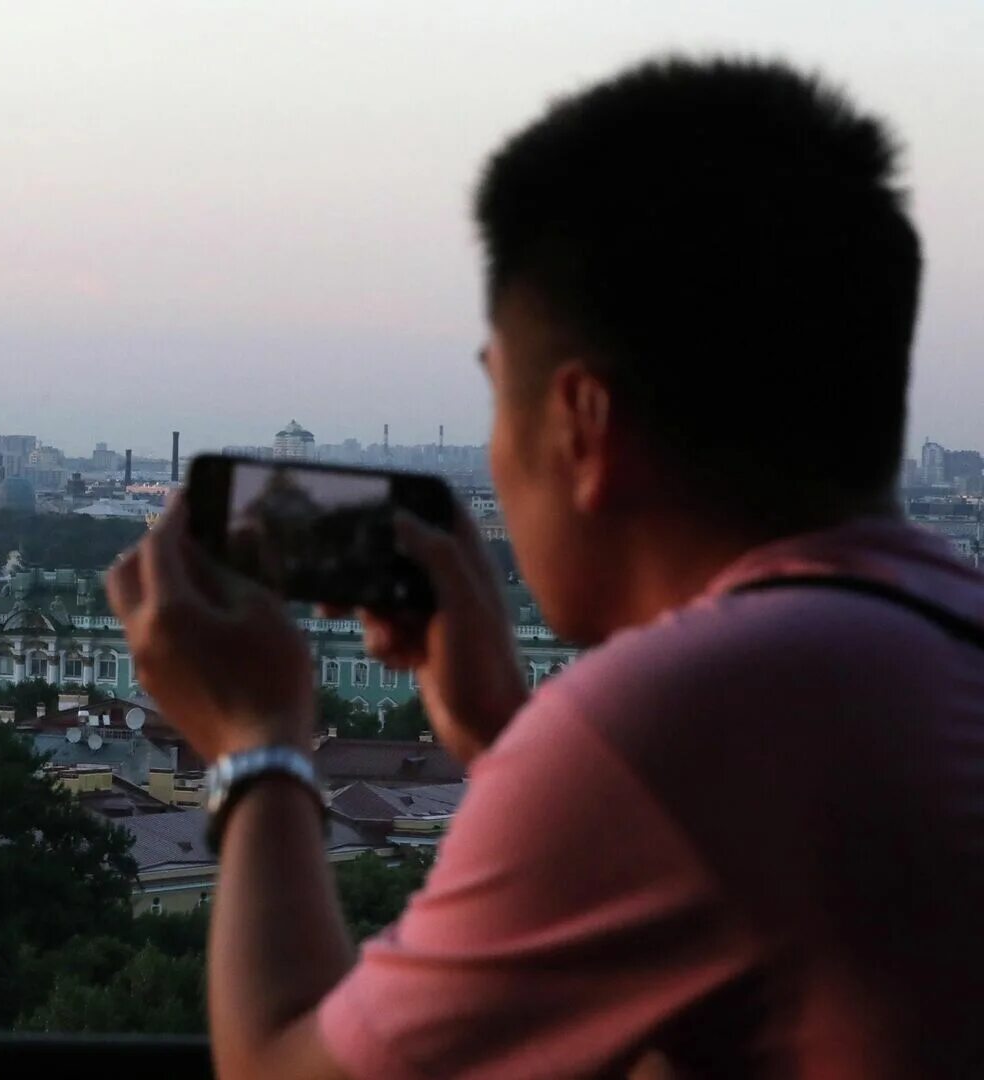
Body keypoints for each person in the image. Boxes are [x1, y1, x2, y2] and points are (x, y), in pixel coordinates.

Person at [110, 56, 983, 1079]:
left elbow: (283, 1071)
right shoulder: (927, 638)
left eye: (498, 399)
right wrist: (504, 736)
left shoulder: (679, 721)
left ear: (582, 422)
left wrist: (258, 743)